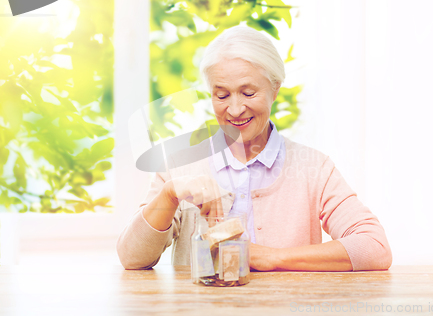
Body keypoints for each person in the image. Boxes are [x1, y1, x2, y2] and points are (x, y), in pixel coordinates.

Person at [117, 26, 392, 272]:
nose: (235, 110)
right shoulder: (179, 165)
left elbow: (374, 247)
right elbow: (132, 258)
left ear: (274, 89)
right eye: (222, 95)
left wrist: (270, 258)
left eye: (248, 93)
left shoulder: (314, 168)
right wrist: (168, 195)